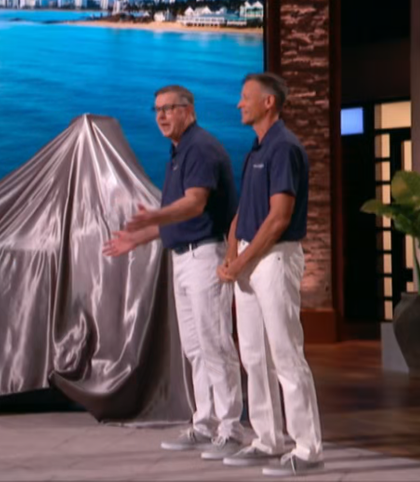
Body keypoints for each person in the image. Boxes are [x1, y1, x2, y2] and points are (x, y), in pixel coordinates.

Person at [103, 84, 247, 459]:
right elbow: (179, 219)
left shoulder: (200, 148)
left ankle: (231, 429)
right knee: (196, 348)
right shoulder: (179, 152)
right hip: (184, 257)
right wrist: (140, 237)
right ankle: (205, 423)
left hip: (206, 257)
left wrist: (153, 216)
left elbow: (194, 205)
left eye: (169, 108)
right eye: (157, 110)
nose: (162, 116)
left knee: (215, 344)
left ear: (189, 110)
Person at [217, 73, 324, 476]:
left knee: (286, 354)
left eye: (245, 97)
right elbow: (244, 211)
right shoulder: (258, 149)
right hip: (249, 258)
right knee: (254, 356)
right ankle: (267, 439)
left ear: (268, 103)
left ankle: (308, 448)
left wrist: (242, 262)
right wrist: (232, 253)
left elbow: (279, 218)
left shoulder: (284, 147)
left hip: (274, 259)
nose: (238, 104)